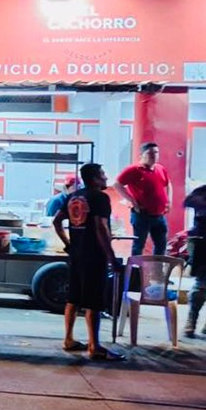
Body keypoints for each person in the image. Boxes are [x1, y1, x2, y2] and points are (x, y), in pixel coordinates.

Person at [53, 163, 125, 361]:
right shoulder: (100, 198)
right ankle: (95, 346)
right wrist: (111, 257)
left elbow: (57, 221)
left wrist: (68, 243)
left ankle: (68, 339)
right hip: (94, 255)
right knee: (93, 300)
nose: (105, 177)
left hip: (76, 254)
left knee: (74, 297)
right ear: (94, 178)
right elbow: (101, 228)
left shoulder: (72, 197)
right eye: (102, 174)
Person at [113, 142, 173, 256]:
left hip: (159, 214)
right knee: (139, 245)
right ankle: (136, 272)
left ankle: (157, 271)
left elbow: (168, 183)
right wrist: (132, 201)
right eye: (150, 153)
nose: (154, 155)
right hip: (142, 214)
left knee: (161, 244)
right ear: (142, 155)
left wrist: (169, 201)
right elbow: (117, 184)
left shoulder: (160, 168)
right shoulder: (134, 170)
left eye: (156, 152)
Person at [185, 184, 206, 338]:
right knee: (201, 284)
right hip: (202, 241)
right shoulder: (202, 191)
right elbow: (189, 202)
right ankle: (191, 321)